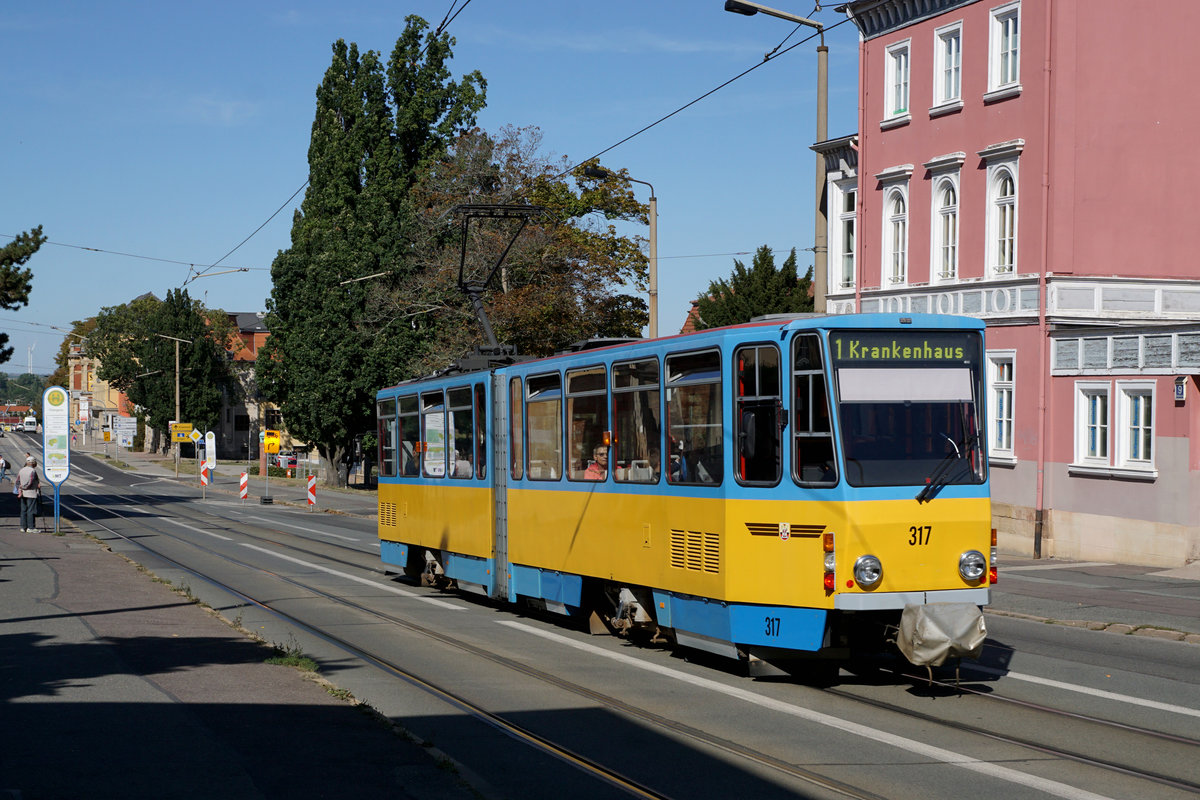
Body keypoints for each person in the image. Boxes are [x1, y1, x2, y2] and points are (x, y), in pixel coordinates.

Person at [17, 456, 40, 533]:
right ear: (33, 463)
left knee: (23, 510)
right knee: (31, 510)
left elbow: (17, 481)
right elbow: (30, 481)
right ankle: (31, 527)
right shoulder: (32, 471)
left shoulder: (21, 470)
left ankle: (23, 527)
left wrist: (20, 490)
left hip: (23, 493)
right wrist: (25, 487)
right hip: (31, 493)